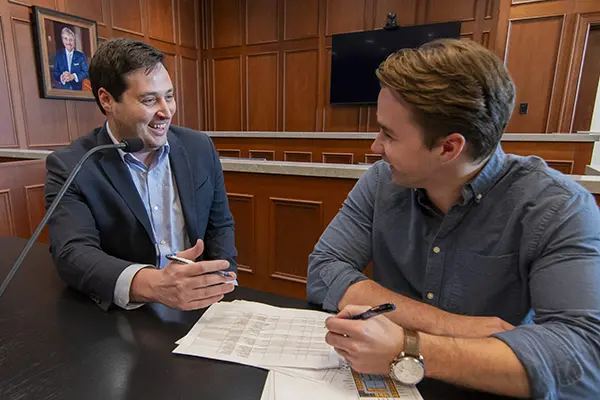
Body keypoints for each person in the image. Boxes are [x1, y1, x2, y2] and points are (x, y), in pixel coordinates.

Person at [308, 39, 600, 399]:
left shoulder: (556, 207)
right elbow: (325, 268)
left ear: (449, 147)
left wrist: (410, 347)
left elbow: (584, 357)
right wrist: (452, 326)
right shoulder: (381, 182)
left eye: (389, 133)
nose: (375, 146)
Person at [45, 38, 237, 312]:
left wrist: (221, 283)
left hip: (199, 307)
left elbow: (220, 225)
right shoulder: (71, 164)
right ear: (107, 100)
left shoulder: (199, 147)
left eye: (169, 96)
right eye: (149, 100)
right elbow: (73, 253)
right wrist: (153, 284)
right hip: (124, 314)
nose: (166, 111)